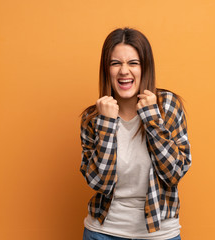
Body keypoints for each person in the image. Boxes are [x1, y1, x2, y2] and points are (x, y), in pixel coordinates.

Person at [79, 27, 192, 240]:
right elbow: (99, 183)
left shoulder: (167, 106)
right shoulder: (94, 118)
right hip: (103, 233)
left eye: (133, 63)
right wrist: (106, 123)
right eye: (115, 63)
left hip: (159, 234)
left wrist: (151, 117)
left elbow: (173, 173)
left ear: (145, 67)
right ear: (107, 69)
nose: (124, 71)